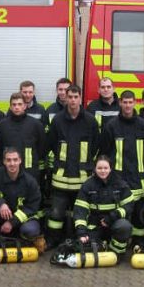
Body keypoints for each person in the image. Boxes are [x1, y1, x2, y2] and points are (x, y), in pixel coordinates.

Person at [45, 84, 100, 248]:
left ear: (80, 98)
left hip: (83, 179)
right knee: (56, 214)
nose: (73, 100)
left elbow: (96, 145)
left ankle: (79, 240)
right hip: (60, 178)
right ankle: (53, 240)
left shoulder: (90, 120)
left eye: (76, 97)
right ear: (66, 98)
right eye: (70, 97)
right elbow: (51, 144)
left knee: (81, 213)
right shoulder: (58, 120)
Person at [99, 90, 144, 243]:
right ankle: (117, 240)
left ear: (135, 103)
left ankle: (138, 243)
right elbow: (105, 151)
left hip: (138, 179)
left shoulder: (143, 125)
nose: (128, 105)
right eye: (125, 102)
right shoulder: (112, 126)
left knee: (139, 215)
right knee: (117, 211)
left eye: (130, 102)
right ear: (120, 103)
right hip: (118, 179)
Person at [0, 148, 42, 247]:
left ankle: (22, 242)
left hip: (21, 221)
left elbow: (32, 207)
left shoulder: (30, 181)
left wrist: (12, 222)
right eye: (8, 160)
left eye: (15, 160)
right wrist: (0, 203)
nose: (12, 163)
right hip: (1, 220)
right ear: (4, 161)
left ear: (20, 160)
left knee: (31, 230)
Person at [73, 156, 134, 259]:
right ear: (95, 169)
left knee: (125, 226)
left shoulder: (120, 184)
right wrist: (81, 232)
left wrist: (112, 217)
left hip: (114, 223)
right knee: (88, 246)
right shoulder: (88, 185)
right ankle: (102, 247)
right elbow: (80, 210)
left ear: (110, 168)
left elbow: (129, 205)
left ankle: (117, 253)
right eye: (99, 168)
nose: (103, 171)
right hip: (95, 225)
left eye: (106, 168)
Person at [0, 92, 45, 182]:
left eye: (19, 104)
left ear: (25, 106)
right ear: (10, 107)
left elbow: (41, 149)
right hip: (8, 173)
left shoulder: (36, 125)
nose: (16, 107)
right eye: (14, 104)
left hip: (30, 173)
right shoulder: (1, 126)